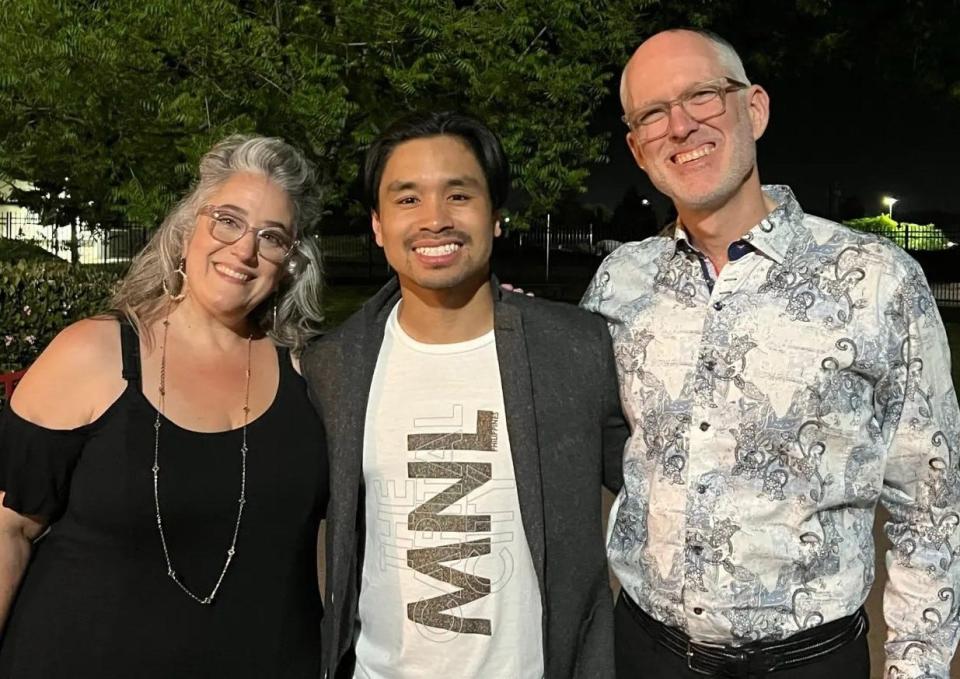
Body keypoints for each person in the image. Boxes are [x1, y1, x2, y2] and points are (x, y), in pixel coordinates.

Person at [581, 28, 960, 678]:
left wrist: (916, 668)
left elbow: (931, 502)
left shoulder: (877, 280)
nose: (679, 125)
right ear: (637, 148)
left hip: (807, 661)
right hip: (644, 652)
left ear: (753, 108)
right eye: (652, 113)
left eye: (701, 95)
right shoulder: (619, 283)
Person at [301, 111, 628, 679]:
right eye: (407, 200)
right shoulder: (333, 366)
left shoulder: (577, 350)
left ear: (496, 216)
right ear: (377, 225)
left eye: (459, 195)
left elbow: (661, 490)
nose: (435, 220)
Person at [0, 135, 328, 677]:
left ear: (290, 264)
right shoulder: (93, 354)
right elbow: (8, 530)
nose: (244, 250)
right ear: (186, 231)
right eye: (227, 220)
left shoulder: (309, 377)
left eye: (272, 237)